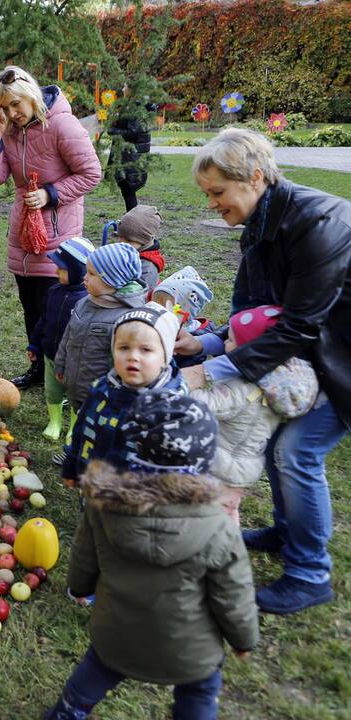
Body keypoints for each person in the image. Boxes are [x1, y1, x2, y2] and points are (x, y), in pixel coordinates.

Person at [178, 128, 350, 614]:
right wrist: (207, 340)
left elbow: (294, 328)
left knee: (297, 451)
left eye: (217, 192)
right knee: (277, 443)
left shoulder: (319, 223)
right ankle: (285, 529)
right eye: (207, 194)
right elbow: (255, 311)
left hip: (342, 355)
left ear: (254, 178)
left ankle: (310, 573)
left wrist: (208, 371)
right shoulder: (259, 222)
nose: (212, 204)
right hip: (313, 350)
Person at [46, 392, 258, 720]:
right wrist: (243, 639)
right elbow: (234, 592)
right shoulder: (219, 527)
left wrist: (79, 588)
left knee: (95, 672)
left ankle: (67, 713)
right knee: (199, 691)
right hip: (190, 650)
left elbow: (84, 556)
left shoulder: (104, 505)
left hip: (117, 635)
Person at [0, 65, 102, 391]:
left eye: (16, 104)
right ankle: (38, 371)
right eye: (4, 108)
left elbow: (91, 173)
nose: (12, 113)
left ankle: (65, 376)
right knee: (32, 310)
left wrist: (51, 194)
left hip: (57, 234)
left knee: (57, 312)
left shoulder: (63, 125)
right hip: (25, 232)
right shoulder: (8, 131)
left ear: (31, 95)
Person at [191, 306, 318, 525]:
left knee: (210, 510)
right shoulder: (272, 384)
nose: (225, 345)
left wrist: (180, 386)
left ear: (249, 350)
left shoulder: (242, 387)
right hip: (245, 464)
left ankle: (218, 550)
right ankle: (229, 545)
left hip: (223, 463)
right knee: (228, 507)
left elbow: (205, 404)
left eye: (230, 340)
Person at [61, 303, 183, 487]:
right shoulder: (102, 388)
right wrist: (71, 465)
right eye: (124, 348)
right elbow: (81, 428)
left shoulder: (171, 409)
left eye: (146, 350)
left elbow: (175, 467)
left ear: (165, 357)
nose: (133, 356)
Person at [54, 243, 148, 424]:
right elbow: (69, 336)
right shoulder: (85, 302)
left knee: (98, 433)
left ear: (111, 279)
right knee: (81, 424)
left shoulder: (129, 317)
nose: (84, 277)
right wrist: (61, 365)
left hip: (105, 396)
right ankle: (75, 451)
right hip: (77, 384)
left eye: (91, 273)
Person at [29, 236, 94, 442]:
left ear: (77, 271)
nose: (56, 272)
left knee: (76, 394)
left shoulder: (87, 301)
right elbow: (43, 320)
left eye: (62, 268)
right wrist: (35, 344)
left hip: (75, 361)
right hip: (50, 355)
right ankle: (55, 422)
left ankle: (74, 428)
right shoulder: (53, 291)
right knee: (53, 391)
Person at [106, 84, 158, 211]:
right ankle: (132, 222)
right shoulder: (131, 106)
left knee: (128, 191)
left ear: (132, 90)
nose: (122, 89)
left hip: (131, 157)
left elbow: (133, 132)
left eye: (125, 87)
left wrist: (113, 130)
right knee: (127, 191)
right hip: (128, 156)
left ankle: (134, 224)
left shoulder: (136, 108)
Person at [112, 204, 164, 293]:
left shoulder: (147, 269)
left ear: (144, 240)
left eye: (128, 240)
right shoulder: (131, 252)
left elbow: (141, 298)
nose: (121, 243)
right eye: (119, 237)